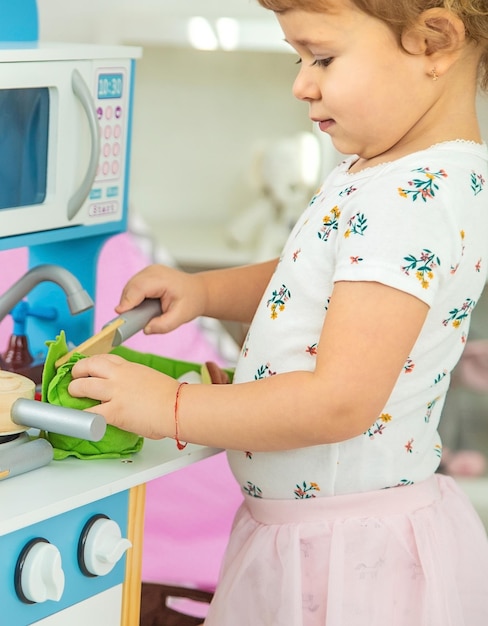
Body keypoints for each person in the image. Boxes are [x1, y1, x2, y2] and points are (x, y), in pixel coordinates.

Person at [69, 0, 488, 623]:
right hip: (316, 534)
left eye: (322, 57)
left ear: (434, 41)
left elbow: (340, 401)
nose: (301, 83)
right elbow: (311, 280)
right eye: (298, 58)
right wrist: (205, 293)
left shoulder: (410, 197)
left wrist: (171, 409)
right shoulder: (388, 173)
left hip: (342, 557)